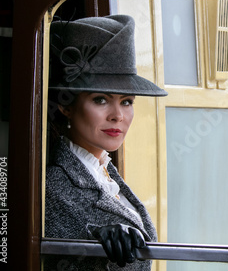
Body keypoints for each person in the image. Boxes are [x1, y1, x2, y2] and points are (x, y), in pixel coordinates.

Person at [45, 15, 167, 270]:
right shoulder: (53, 187)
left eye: (127, 101)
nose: (117, 115)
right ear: (66, 105)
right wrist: (94, 238)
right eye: (101, 99)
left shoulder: (104, 171)